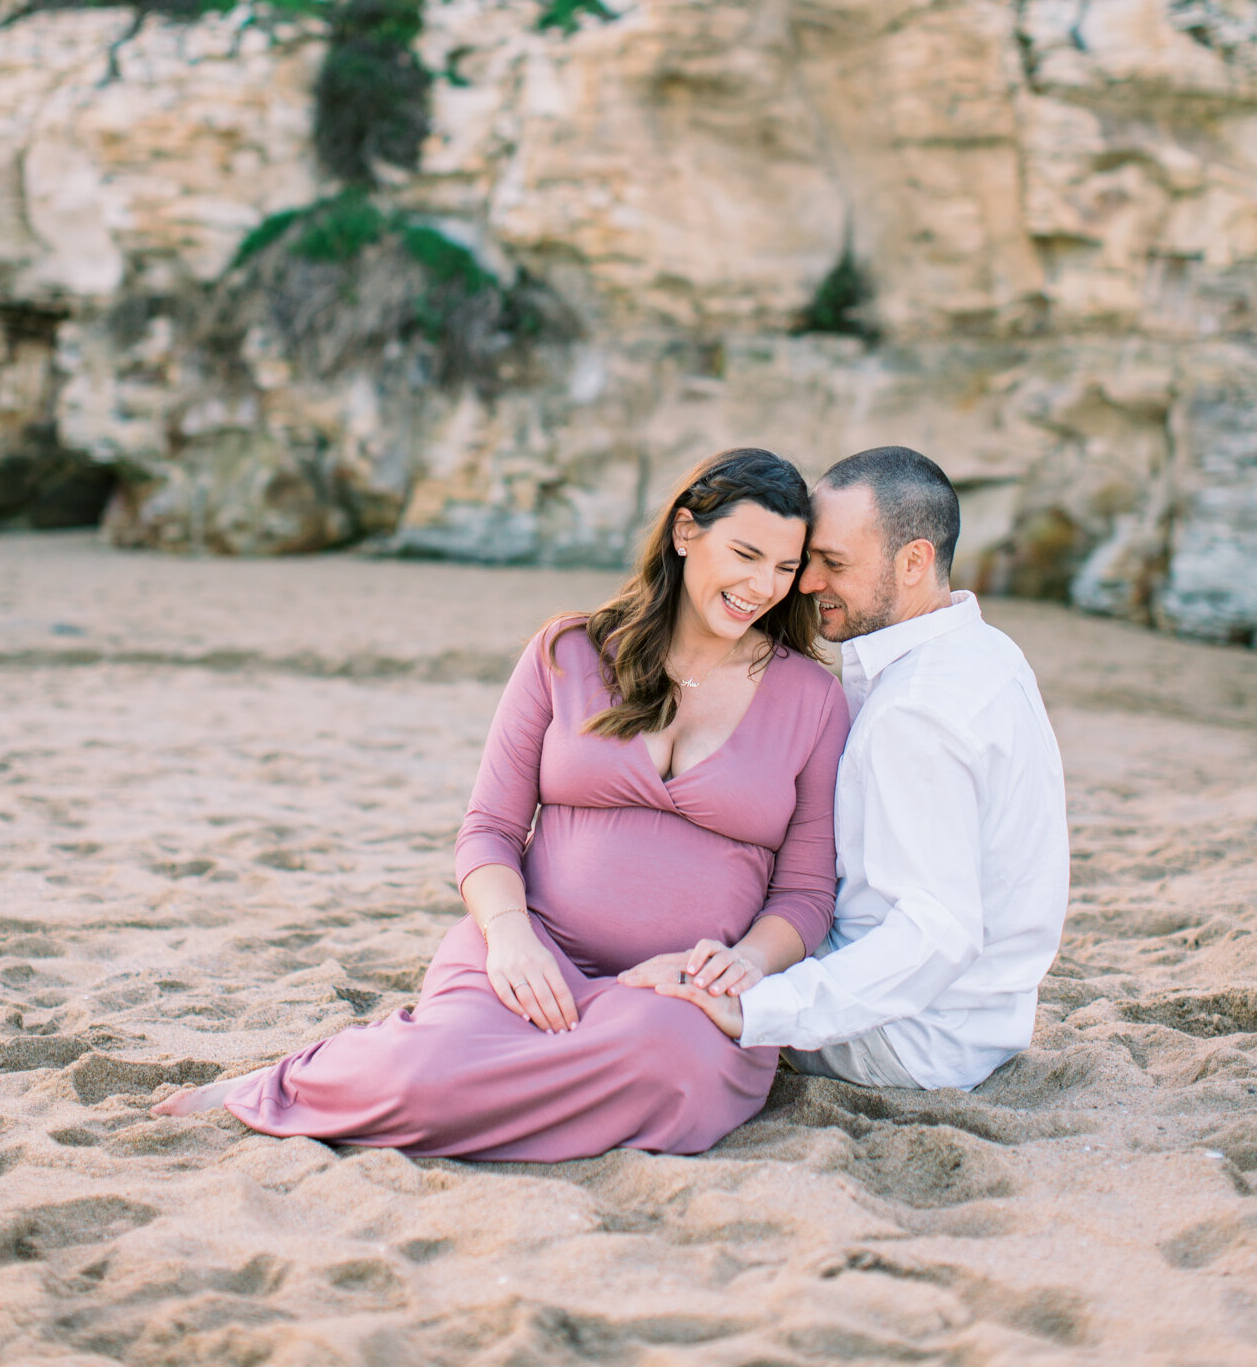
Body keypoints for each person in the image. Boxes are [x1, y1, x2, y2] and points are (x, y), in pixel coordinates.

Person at [153, 447, 849, 1158]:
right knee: (421, 1079)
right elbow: (488, 828)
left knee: (670, 1066)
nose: (763, 585)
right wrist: (512, 938)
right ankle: (312, 1079)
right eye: (745, 554)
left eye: (785, 568)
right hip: (534, 948)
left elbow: (803, 891)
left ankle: (422, 1075)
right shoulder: (570, 651)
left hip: (679, 993)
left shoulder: (812, 698)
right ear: (683, 532)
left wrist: (743, 965)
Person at [646, 446, 1069, 1093]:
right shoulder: (982, 651)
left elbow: (937, 932)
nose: (806, 583)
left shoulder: (916, 713)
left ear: (913, 561)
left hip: (903, 1037)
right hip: (978, 1018)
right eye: (807, 558)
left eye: (833, 564)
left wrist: (758, 1010)